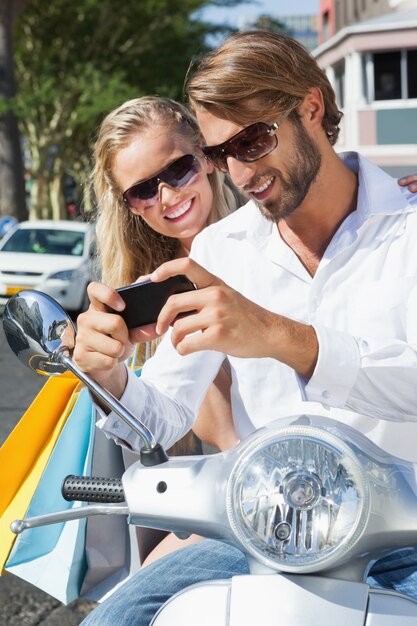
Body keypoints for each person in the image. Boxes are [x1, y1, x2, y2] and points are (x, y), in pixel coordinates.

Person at [77, 32, 417, 625]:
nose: (240, 172)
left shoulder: (409, 231)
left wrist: (281, 337)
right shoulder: (220, 249)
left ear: (312, 107)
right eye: (219, 154)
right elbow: (160, 415)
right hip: (263, 534)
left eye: (254, 139)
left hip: (404, 536)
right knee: (111, 619)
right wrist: (108, 377)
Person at [86, 95, 244, 571]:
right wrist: (106, 375)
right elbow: (160, 418)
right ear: (130, 206)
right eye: (143, 191)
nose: (169, 197)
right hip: (225, 504)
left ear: (206, 154)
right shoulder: (154, 291)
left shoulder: (278, 235)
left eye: (179, 170)